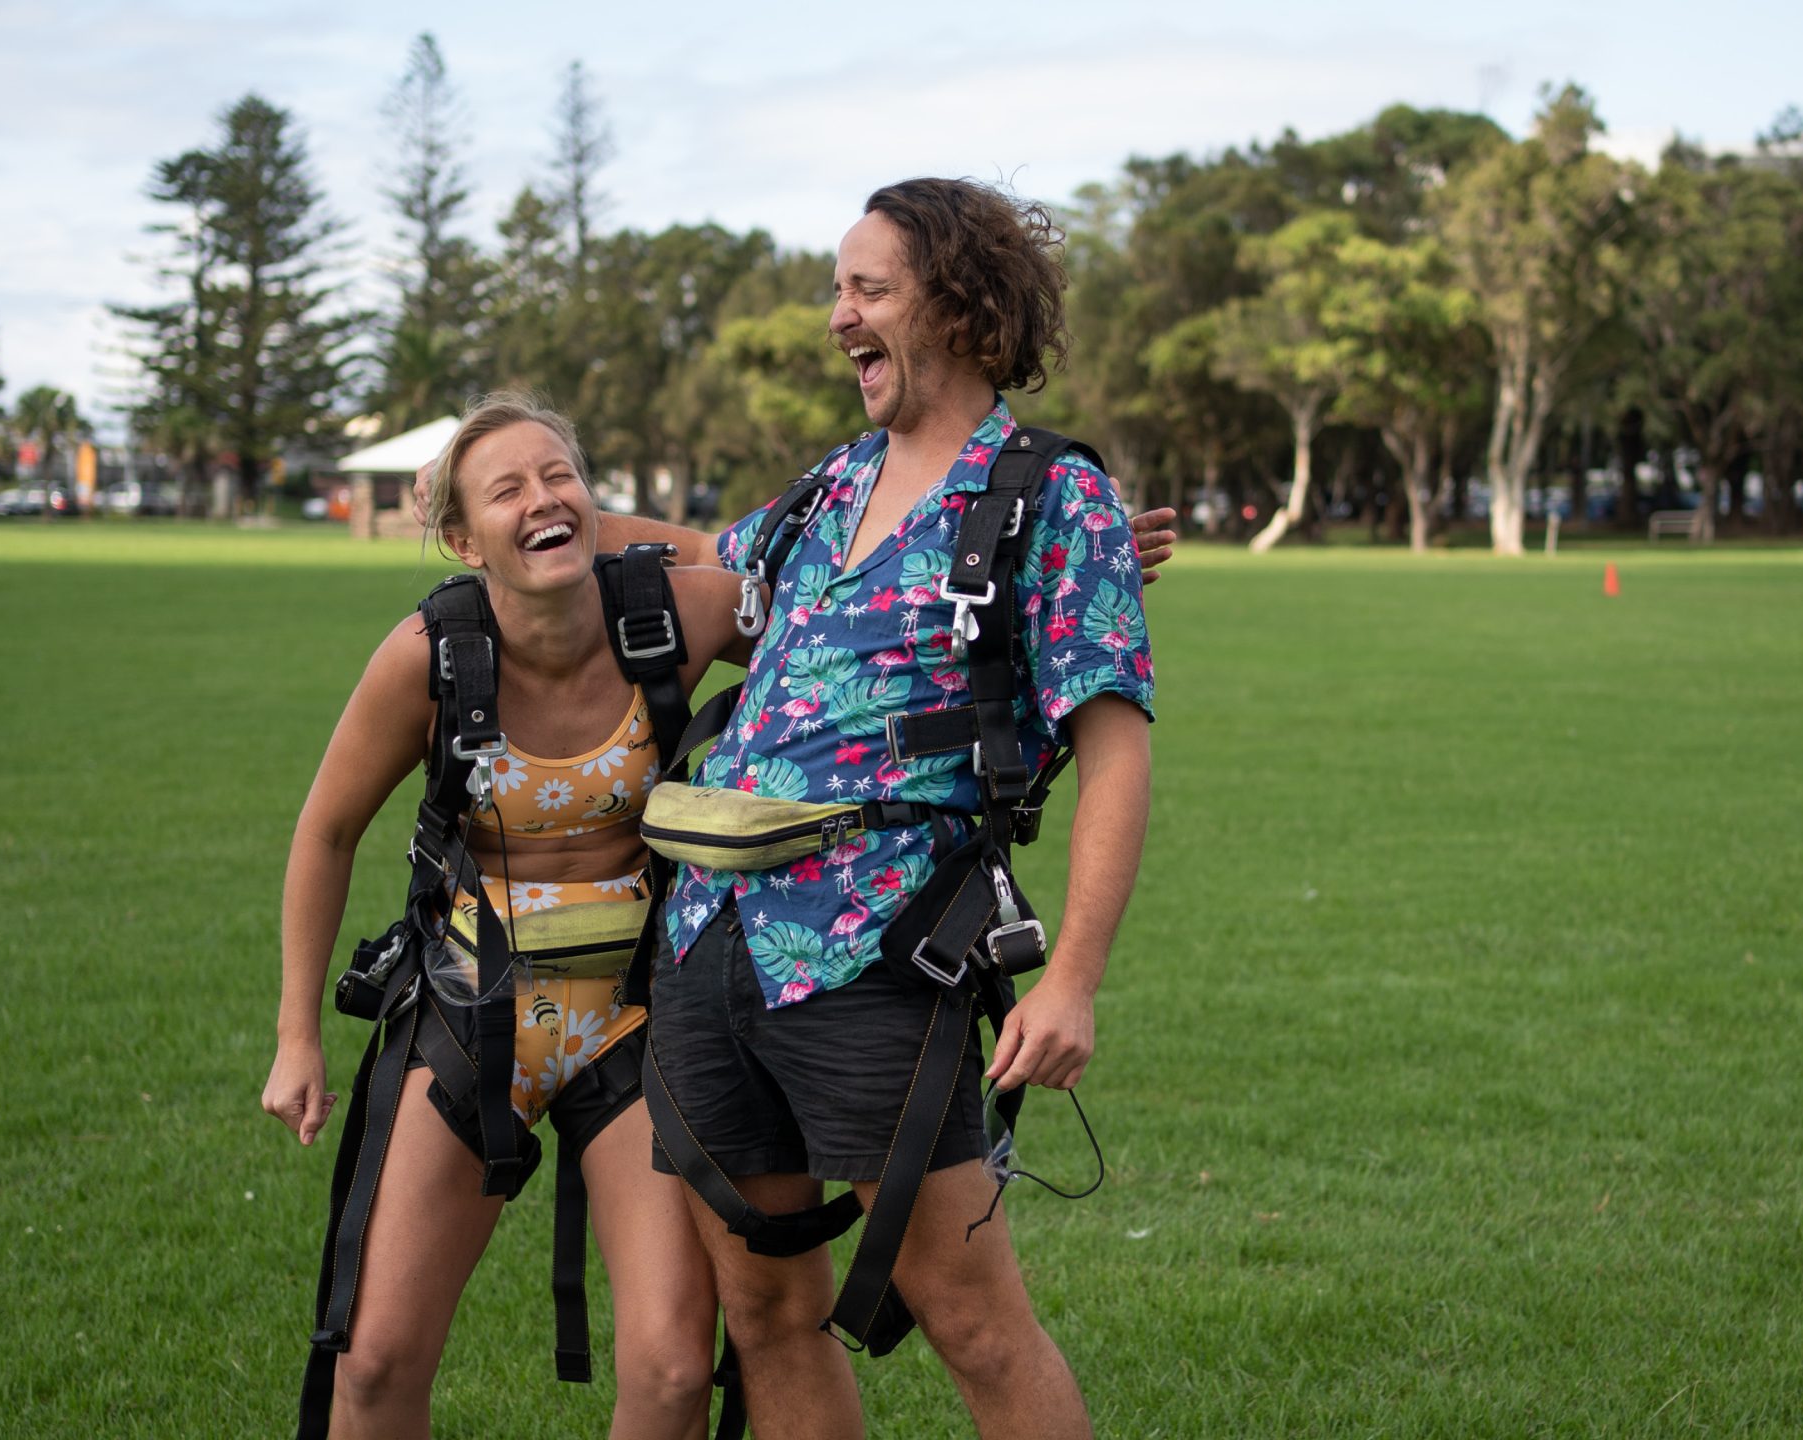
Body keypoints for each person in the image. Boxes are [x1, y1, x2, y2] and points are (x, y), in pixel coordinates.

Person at [593, 177, 1157, 1440]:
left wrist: (1070, 980)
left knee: (971, 1323)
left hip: (881, 951)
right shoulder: (831, 483)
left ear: (956, 306)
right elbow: (705, 563)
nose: (835, 314)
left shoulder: (1050, 496)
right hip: (707, 948)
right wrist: (547, 512)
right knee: (767, 1314)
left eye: (867, 288)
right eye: (836, 286)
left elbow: (1115, 749)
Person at [263, 393, 760, 1440]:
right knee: (375, 1362)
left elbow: (847, 614)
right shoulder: (430, 657)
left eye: (559, 477)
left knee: (674, 1371)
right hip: (467, 1018)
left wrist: (1038, 566)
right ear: (460, 537)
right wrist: (296, 1038)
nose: (542, 499)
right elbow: (325, 832)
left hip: (634, 1020)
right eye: (508, 491)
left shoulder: (677, 617)